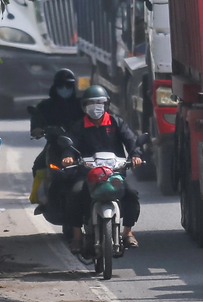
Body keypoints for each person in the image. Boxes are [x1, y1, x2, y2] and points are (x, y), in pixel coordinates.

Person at [61, 85, 144, 253]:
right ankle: (77, 236)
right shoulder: (79, 126)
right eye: (91, 103)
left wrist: (135, 155)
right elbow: (71, 143)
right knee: (75, 194)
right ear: (85, 106)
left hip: (114, 174)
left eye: (99, 102)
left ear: (106, 105)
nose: (96, 106)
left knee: (131, 195)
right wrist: (68, 156)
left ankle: (128, 232)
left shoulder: (116, 123)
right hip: (87, 174)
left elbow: (131, 141)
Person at [29, 69, 82, 204]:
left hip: (79, 146)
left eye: (68, 86)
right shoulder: (45, 106)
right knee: (38, 165)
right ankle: (42, 200)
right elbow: (36, 123)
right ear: (55, 86)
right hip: (55, 145)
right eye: (61, 86)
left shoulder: (81, 105)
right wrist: (38, 130)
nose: (64, 89)